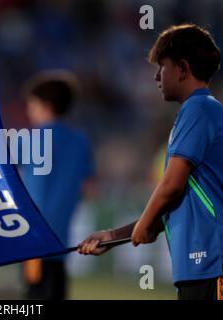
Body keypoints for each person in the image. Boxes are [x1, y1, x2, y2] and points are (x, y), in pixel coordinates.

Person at [78, 24, 222, 300]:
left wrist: (144, 225)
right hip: (200, 268)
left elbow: (170, 187)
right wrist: (112, 236)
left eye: (162, 67)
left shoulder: (198, 109)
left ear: (182, 68)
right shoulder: (201, 111)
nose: (156, 76)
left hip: (211, 264)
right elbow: (167, 210)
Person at [20, 70, 95, 300]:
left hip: (33, 239)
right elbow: (86, 187)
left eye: (31, 104)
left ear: (46, 105)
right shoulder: (80, 141)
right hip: (61, 239)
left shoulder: (30, 140)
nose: (28, 110)